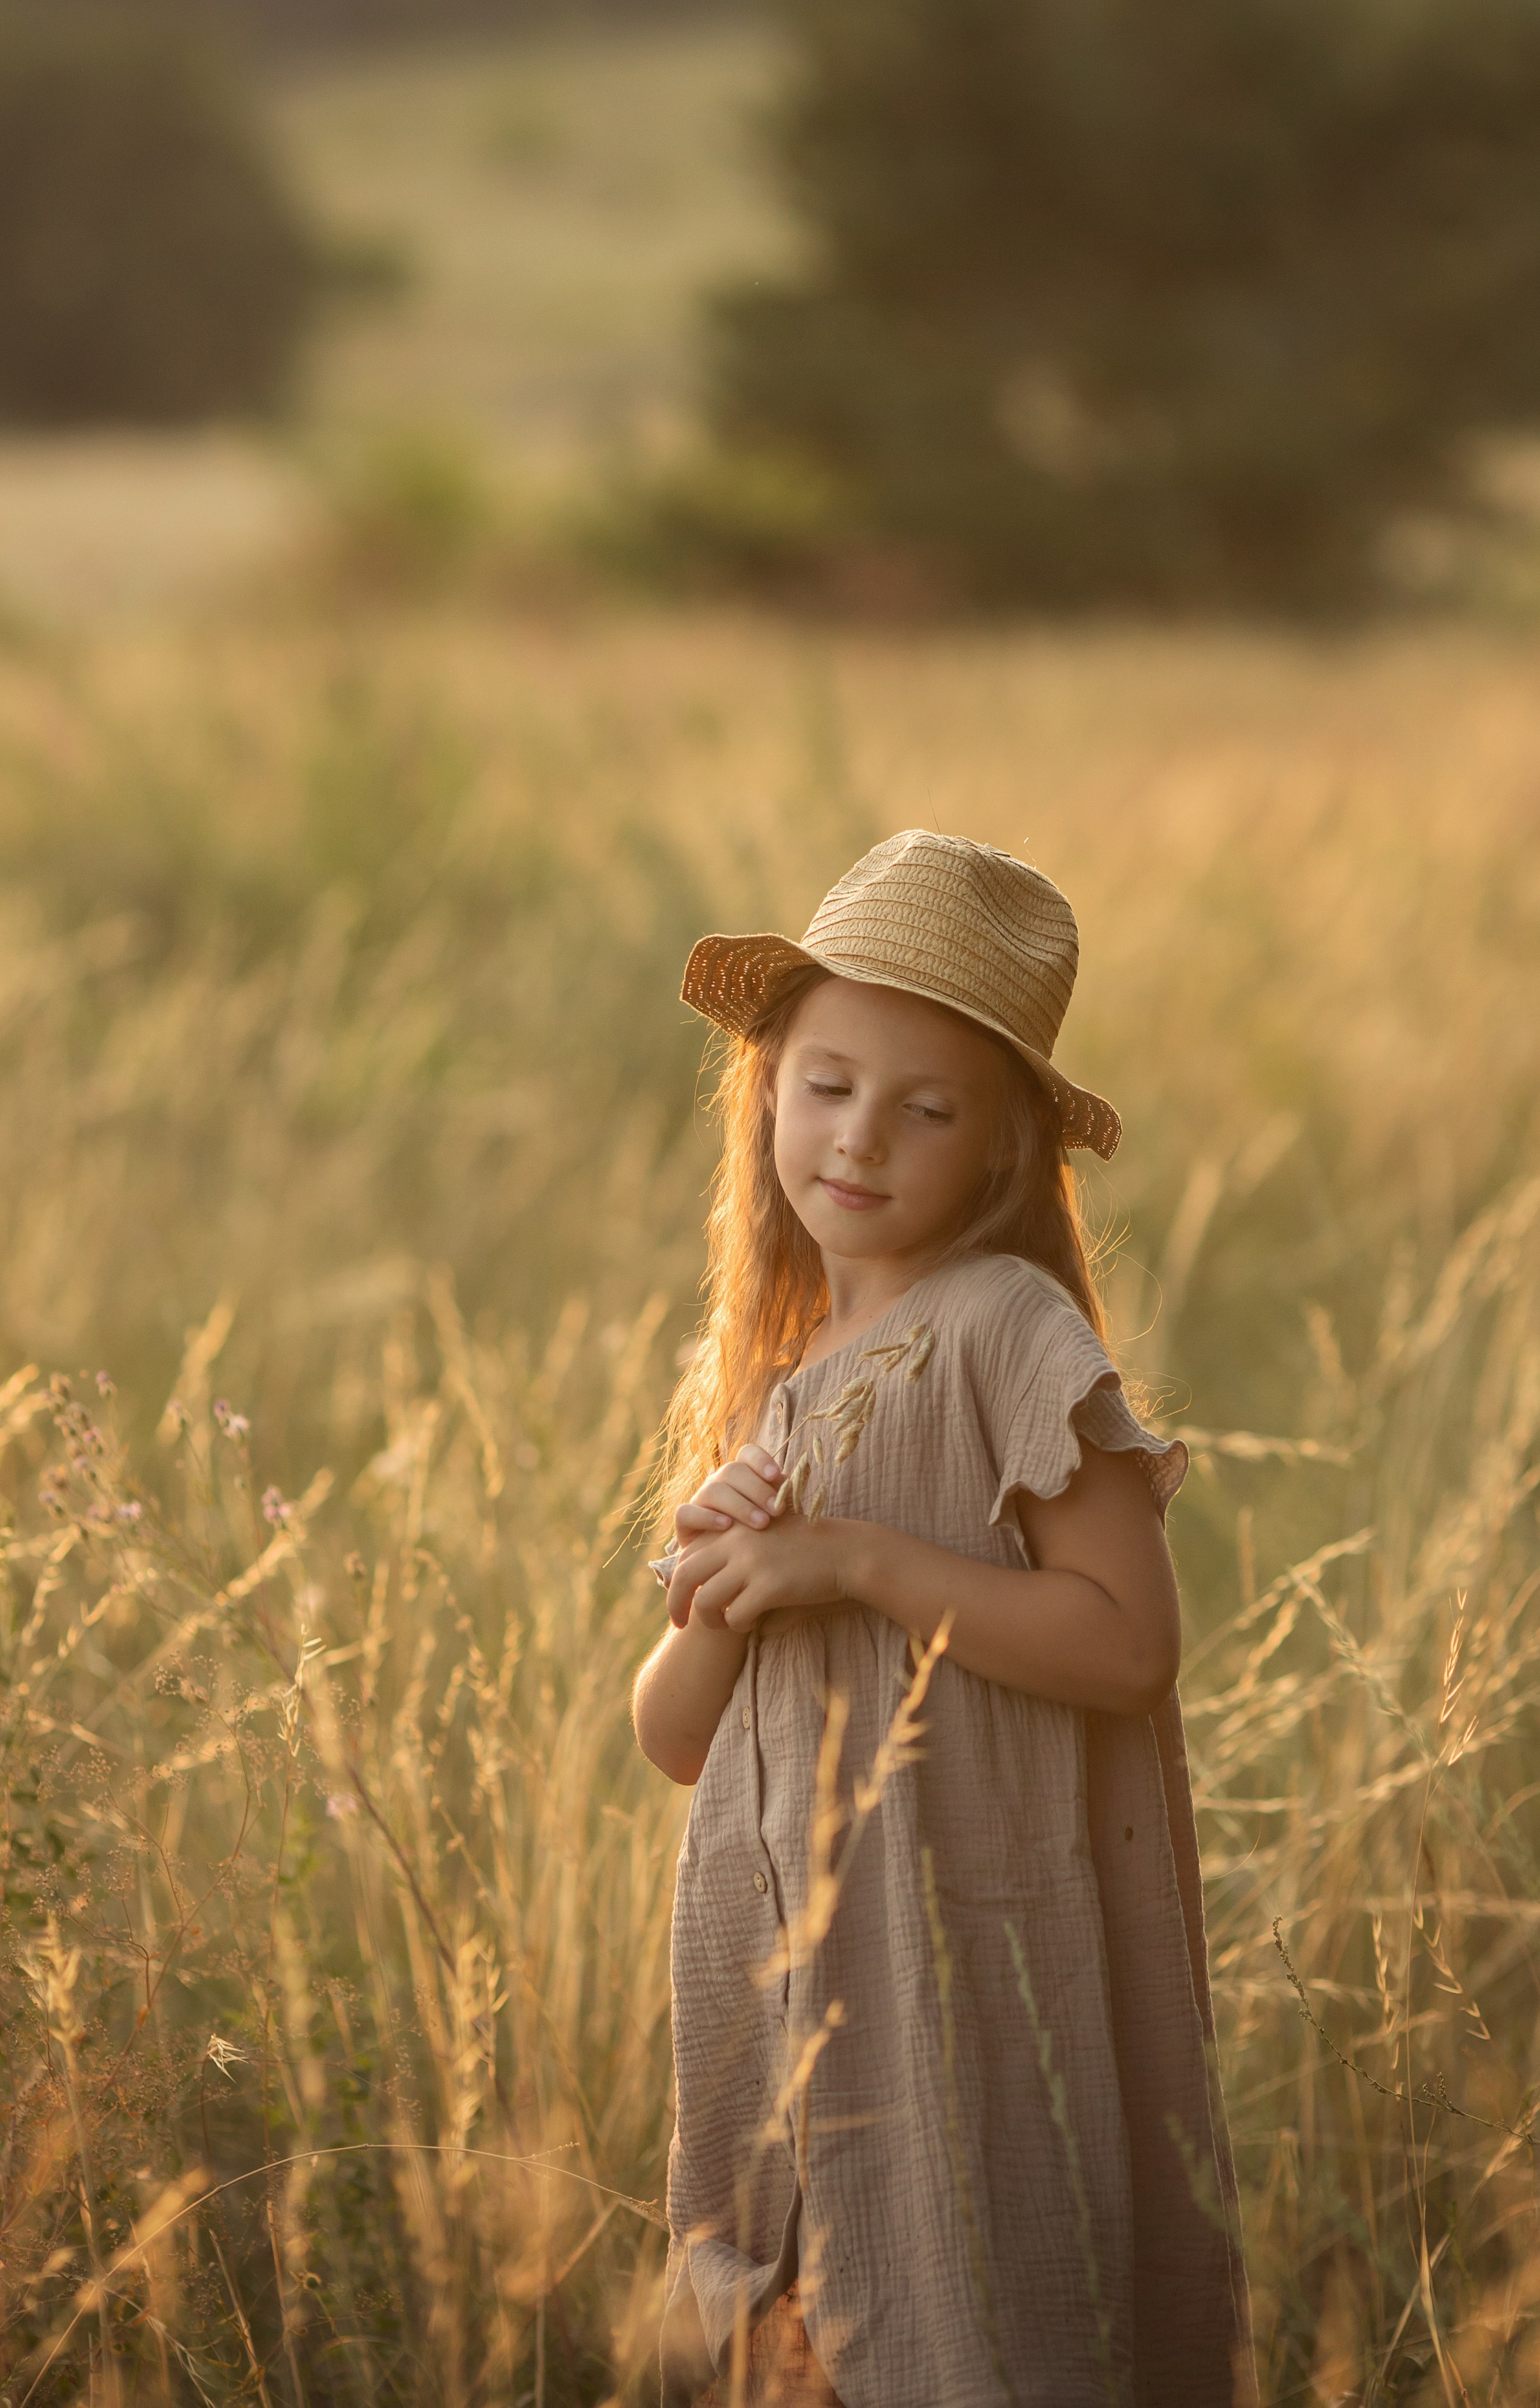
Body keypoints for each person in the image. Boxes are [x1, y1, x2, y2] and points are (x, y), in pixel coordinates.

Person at [633, 830, 1253, 2408]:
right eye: (827, 1083)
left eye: (926, 1109)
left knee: (975, 2327)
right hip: (786, 1993)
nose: (860, 1138)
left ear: (997, 1152)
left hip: (960, 1979)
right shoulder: (779, 1384)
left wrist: (853, 1566)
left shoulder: (1001, 1329)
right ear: (766, 1086)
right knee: (802, 2338)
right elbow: (674, 1736)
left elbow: (1126, 1645)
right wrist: (723, 1586)